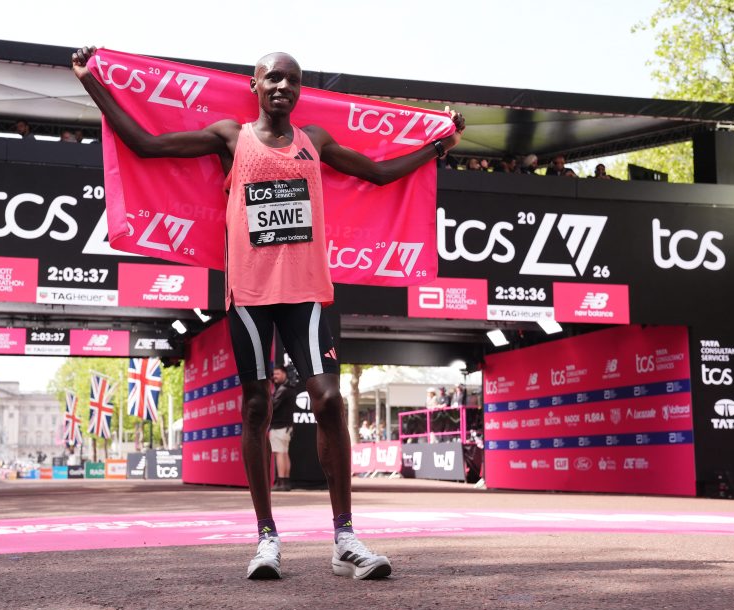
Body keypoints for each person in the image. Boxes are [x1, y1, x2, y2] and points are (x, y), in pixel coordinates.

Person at [72, 46, 464, 580]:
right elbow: (145, 144)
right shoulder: (231, 137)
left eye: (292, 81)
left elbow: (376, 173)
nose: (283, 87)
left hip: (306, 292)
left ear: (299, 91)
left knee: (329, 399)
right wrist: (92, 81)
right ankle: (266, 538)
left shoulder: (314, 141)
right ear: (254, 85)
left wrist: (438, 146)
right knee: (256, 406)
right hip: (251, 294)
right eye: (273, 78)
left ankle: (344, 537)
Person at [269, 366, 296, 491]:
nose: (275, 376)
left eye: (277, 374)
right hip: (286, 427)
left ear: (284, 374)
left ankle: (281, 482)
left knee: (280, 453)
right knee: (284, 453)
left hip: (279, 426)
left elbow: (273, 405)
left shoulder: (283, 389)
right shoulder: (289, 388)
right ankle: (285, 482)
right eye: (274, 374)